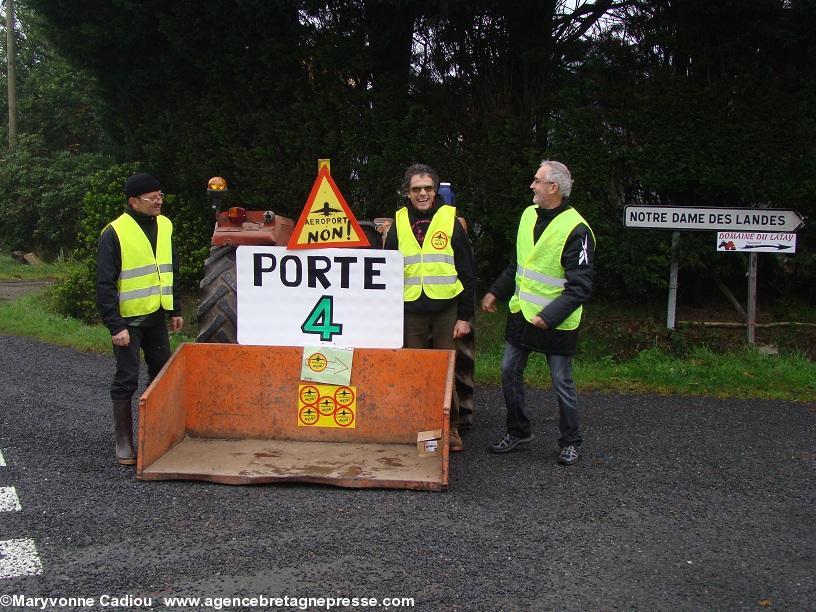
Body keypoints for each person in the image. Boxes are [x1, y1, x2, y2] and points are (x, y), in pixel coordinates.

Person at [482, 160, 594, 465]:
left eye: (537, 181)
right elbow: (519, 264)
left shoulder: (577, 229)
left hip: (555, 323)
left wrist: (550, 316)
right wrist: (495, 291)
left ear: (553, 187)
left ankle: (570, 441)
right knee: (508, 370)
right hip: (522, 314)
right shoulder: (528, 214)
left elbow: (580, 286)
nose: (532, 186)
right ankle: (518, 431)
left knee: (561, 382)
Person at [384, 163, 476, 452]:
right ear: (407, 193)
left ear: (435, 191)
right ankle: (422, 427)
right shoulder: (397, 222)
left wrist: (465, 317)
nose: (422, 193)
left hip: (446, 310)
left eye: (427, 188)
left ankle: (452, 430)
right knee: (415, 372)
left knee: (447, 371)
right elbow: (386, 272)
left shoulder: (450, 220)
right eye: (416, 189)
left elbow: (467, 271)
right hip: (410, 310)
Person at [96, 173, 183, 465]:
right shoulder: (114, 232)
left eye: (161, 195)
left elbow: (171, 268)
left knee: (160, 376)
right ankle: (124, 442)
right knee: (127, 379)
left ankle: (155, 436)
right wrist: (115, 325)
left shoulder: (166, 225)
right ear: (134, 201)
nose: (159, 201)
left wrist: (176, 309)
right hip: (128, 322)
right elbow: (104, 284)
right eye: (152, 197)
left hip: (157, 316)